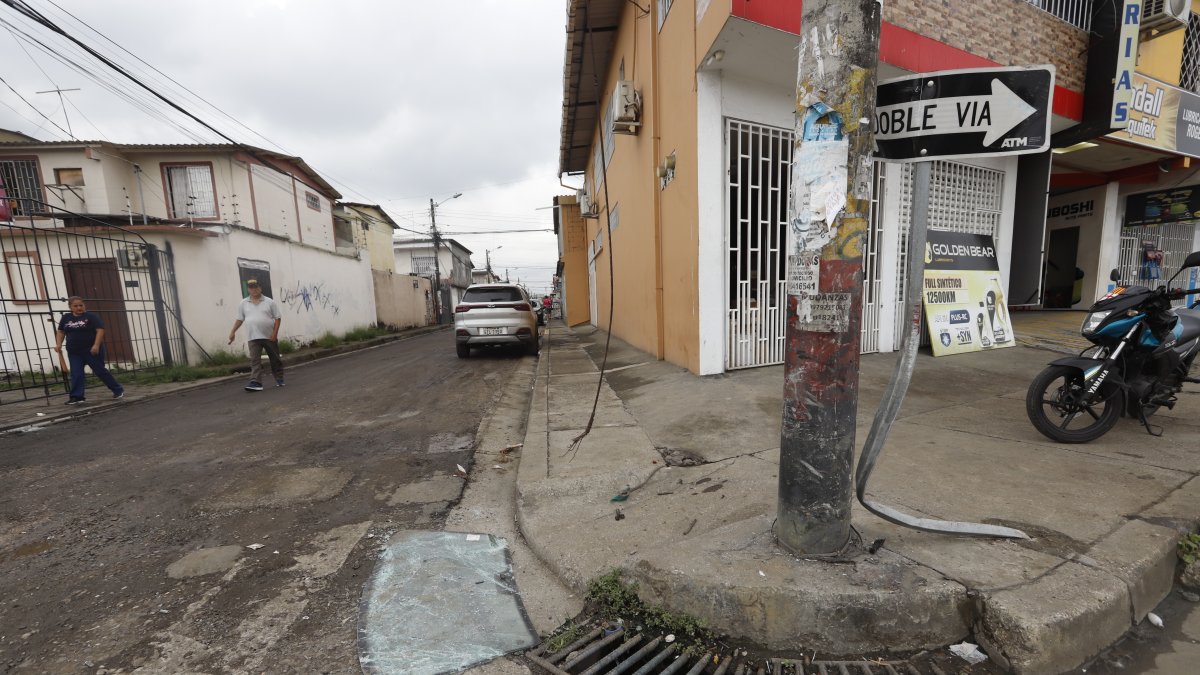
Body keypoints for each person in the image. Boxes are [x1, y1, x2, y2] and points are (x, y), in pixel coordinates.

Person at [54, 296, 124, 405]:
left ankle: (117, 389)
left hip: (91, 350)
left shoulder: (90, 316)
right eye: (75, 306)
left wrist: (96, 345)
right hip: (74, 352)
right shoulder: (66, 318)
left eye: (81, 305)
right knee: (76, 373)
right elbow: (61, 332)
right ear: (70, 307)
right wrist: (58, 344)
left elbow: (100, 330)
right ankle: (77, 396)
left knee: (100, 371)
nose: (79, 308)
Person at [228, 278, 284, 391]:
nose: (254, 289)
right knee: (254, 361)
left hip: (269, 336)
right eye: (251, 287)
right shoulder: (243, 303)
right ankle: (256, 382)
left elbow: (277, 318)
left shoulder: (269, 302)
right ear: (248, 289)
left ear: (260, 288)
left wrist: (274, 334)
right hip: (252, 337)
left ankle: (279, 378)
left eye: (256, 287)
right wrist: (233, 331)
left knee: (274, 359)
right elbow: (240, 319)